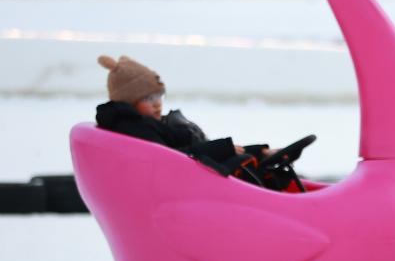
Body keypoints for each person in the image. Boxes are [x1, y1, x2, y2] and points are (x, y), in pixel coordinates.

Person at [94, 55, 280, 184]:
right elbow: (173, 159)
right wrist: (224, 148)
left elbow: (187, 149)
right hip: (183, 186)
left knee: (248, 158)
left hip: (186, 180)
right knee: (243, 162)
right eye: (148, 98)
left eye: (159, 96)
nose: (157, 104)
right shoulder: (135, 129)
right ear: (129, 102)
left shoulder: (150, 124)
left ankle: (262, 154)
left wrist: (256, 151)